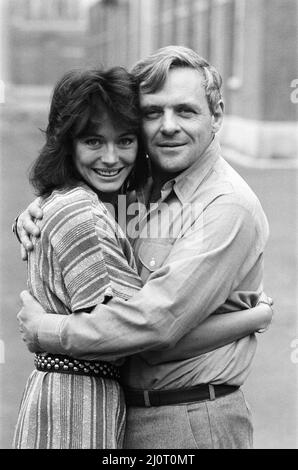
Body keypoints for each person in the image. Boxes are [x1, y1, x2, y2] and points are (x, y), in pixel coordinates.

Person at [16, 46, 272, 449]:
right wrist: (40, 210)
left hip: (189, 421)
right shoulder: (136, 187)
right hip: (124, 416)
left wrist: (49, 331)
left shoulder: (225, 206)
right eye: (153, 112)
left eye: (185, 111)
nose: (168, 126)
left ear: (217, 115)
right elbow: (82, 211)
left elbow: (155, 324)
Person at [13, 66, 147, 449]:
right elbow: (126, 330)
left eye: (125, 140)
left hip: (64, 394)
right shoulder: (81, 213)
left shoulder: (68, 202)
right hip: (76, 408)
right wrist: (249, 317)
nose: (111, 157)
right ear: (67, 143)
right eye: (93, 141)